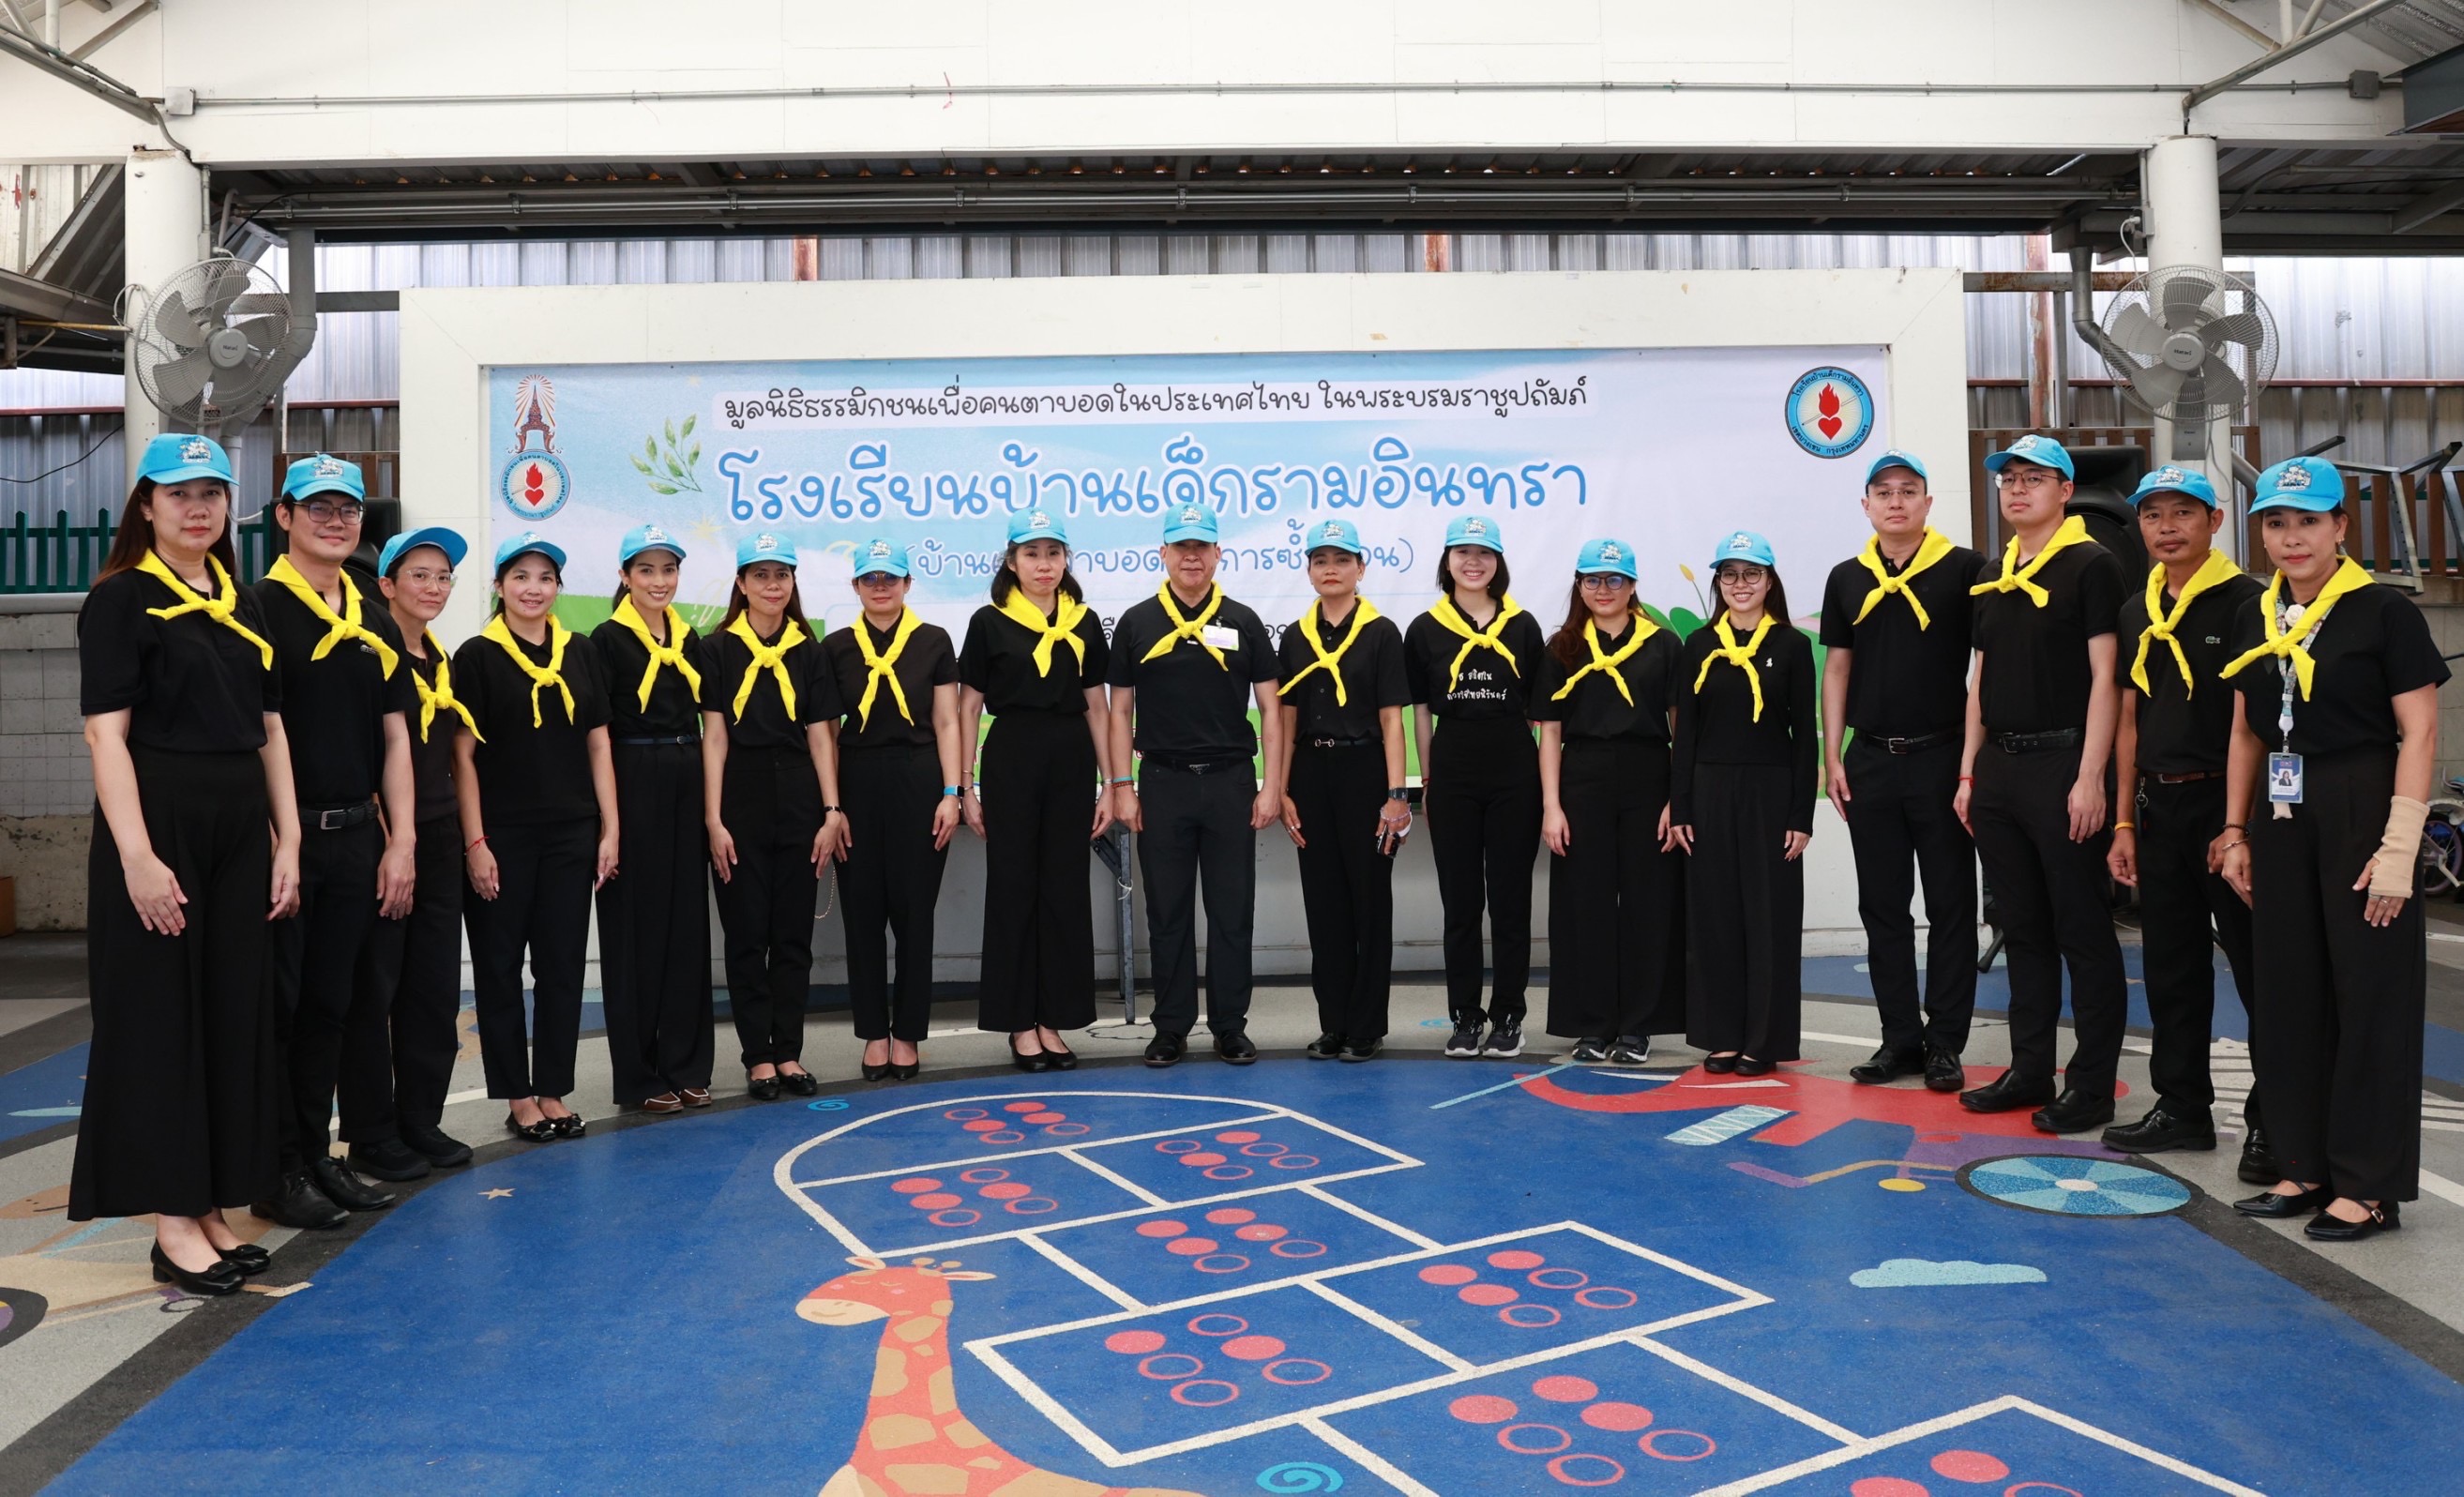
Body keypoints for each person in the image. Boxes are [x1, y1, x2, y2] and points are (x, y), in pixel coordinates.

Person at [71, 432, 298, 1294]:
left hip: (239, 826)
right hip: (159, 819)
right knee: (161, 1019)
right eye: (178, 493)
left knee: (229, 1014)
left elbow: (270, 728)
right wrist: (136, 856)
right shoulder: (120, 599)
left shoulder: (242, 601)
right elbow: (106, 736)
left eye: (210, 493)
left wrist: (288, 838)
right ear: (146, 505)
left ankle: (208, 1204)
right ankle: (171, 1221)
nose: (196, 508)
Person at [2222, 455, 2447, 1242]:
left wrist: (2399, 845)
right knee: (2289, 993)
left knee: (2369, 996)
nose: (2291, 538)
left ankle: (2368, 1185)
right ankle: (2304, 1165)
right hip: (2282, 810)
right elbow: (2245, 730)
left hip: (2362, 801)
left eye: (2308, 522)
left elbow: (2420, 731)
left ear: (2340, 528)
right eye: (2276, 523)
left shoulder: (2381, 611)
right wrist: (2234, 830)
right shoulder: (2258, 614)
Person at [250, 454, 420, 1224]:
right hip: (288, 845)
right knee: (282, 1011)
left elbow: (397, 736)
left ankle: (317, 1157)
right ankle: (277, 1168)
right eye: (317, 507)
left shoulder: (372, 616)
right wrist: (281, 841)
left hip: (356, 837)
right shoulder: (257, 608)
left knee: (334, 1006)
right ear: (285, 516)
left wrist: (401, 840)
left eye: (347, 509)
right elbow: (261, 733)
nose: (334, 521)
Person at [1954, 433, 2130, 1134]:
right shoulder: (1993, 572)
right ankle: (2030, 1069)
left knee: (2081, 929)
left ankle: (2090, 1086)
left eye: (2034, 478)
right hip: (1999, 768)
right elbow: (1979, 680)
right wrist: (1969, 771)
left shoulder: (2092, 564)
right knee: (2021, 927)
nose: (2018, 489)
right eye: (2009, 479)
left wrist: (2091, 777)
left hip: (2063, 764)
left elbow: (2106, 679)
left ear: (2065, 491)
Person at [2102, 467, 2264, 1160]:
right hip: (2157, 804)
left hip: (2226, 809)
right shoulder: (2136, 608)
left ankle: (2272, 1121)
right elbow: (2128, 720)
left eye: (2182, 513)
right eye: (2152, 515)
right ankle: (2181, 1108)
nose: (2166, 528)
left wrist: (2237, 826)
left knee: (2258, 968)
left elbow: (2253, 724)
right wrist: (2123, 822)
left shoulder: (2248, 602)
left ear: (2214, 521)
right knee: (2170, 967)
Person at [1818, 450, 1984, 1093]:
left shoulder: (1964, 569)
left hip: (1942, 757)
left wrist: (1969, 767)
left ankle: (1944, 1043)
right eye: (1883, 492)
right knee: (1882, 907)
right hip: (1871, 760)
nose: (1895, 501)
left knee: (1950, 906)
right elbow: (1837, 668)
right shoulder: (1846, 577)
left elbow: (1982, 670)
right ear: (1866, 505)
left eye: (1908, 490)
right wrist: (1833, 755)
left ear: (1927, 503)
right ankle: (1898, 1040)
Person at [452, 533, 617, 1142]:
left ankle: (552, 1090)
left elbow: (598, 743)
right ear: (499, 586)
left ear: (557, 588)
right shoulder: (476, 656)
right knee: (499, 968)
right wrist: (475, 843)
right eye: (520, 576)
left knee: (562, 966)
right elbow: (462, 757)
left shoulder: (580, 652)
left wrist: (610, 827)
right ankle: (517, 1097)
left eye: (545, 578)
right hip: (502, 838)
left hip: (571, 834)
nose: (533, 588)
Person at [1108, 502, 1282, 1068]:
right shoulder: (1137, 622)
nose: (1191, 557)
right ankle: (1171, 1027)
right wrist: (1122, 785)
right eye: (1181, 547)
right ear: (1163, 554)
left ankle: (1230, 1026)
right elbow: (1119, 711)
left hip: (1232, 784)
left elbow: (1272, 711)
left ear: (1217, 554)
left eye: (1201, 547)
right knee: (1168, 912)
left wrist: (1272, 785)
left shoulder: (1243, 621)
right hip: (1163, 783)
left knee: (1232, 912)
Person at [960, 509, 1113, 1073]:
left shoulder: (1085, 621)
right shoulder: (989, 621)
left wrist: (1112, 783)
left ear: (1066, 560)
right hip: (1012, 756)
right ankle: (1019, 1023)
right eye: (1031, 553)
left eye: (1053, 553)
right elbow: (969, 708)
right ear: (1011, 561)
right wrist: (965, 786)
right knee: (1013, 886)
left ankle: (1053, 1018)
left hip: (1071, 758)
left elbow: (1097, 706)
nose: (1043, 565)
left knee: (1064, 889)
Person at [703, 534, 846, 1097]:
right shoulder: (717, 649)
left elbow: (820, 736)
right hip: (739, 797)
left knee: (792, 937)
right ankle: (757, 1057)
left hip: (799, 798)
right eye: (759, 575)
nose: (771, 585)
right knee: (745, 936)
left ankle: (788, 1052)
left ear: (792, 583)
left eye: (781, 575)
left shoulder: (809, 651)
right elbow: (714, 737)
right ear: (741, 583)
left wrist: (831, 810)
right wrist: (713, 819)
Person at [1534, 537, 1686, 1066]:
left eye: (1615, 579)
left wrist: (1677, 798)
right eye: (1593, 579)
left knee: (1649, 904)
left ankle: (1640, 1025)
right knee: (1585, 906)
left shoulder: (1662, 644)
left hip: (1649, 779)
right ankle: (1592, 1024)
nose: (1604, 589)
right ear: (1579, 586)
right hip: (1582, 781)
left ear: (1632, 585)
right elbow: (1549, 732)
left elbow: (1680, 727)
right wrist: (1551, 806)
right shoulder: (1562, 647)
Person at [1672, 530, 1817, 1074]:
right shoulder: (1698, 645)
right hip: (1709, 791)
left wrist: (1801, 815)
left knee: (1769, 917)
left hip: (1770, 794)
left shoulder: (1792, 646)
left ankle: (1764, 1040)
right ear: (1718, 583)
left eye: (1752, 573)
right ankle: (1723, 1035)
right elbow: (1685, 734)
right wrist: (1681, 806)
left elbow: (1804, 738)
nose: (1740, 584)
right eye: (1729, 575)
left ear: (1770, 581)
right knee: (1715, 916)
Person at [1406, 515, 1547, 1060]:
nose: (1473, 561)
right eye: (1462, 552)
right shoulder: (1425, 628)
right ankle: (1465, 1015)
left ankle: (1509, 1015)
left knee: (1511, 901)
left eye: (1484, 552)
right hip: (1453, 770)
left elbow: (1537, 711)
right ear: (1447, 561)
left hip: (1514, 770)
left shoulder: (1523, 625)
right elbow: (1421, 711)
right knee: (1461, 904)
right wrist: (1429, 776)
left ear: (1498, 563)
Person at [1272, 520, 1412, 1062]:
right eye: (1321, 560)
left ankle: (1366, 1026)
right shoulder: (1295, 636)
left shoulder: (1381, 633)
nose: (1331, 569)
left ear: (1360, 568)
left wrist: (1396, 794)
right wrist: (1283, 788)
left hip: (1365, 772)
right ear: (1309, 570)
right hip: (1312, 772)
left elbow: (1393, 720)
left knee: (1370, 901)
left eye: (1342, 560)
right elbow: (1286, 719)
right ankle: (1333, 1023)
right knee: (1324, 902)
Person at [824, 539, 962, 1080]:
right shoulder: (836, 646)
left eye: (890, 578)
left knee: (914, 915)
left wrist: (951, 792)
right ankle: (873, 1034)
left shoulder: (933, 640)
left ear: (908, 584)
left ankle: (906, 1033)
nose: (880, 587)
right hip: (856, 782)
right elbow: (826, 732)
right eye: (870, 578)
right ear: (856, 586)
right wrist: (832, 805)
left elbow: (947, 721)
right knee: (862, 917)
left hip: (919, 780)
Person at [364, 524, 478, 1170]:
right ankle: (374, 1134)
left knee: (433, 989)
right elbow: (367, 754)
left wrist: (468, 840)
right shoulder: (370, 654)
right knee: (378, 989)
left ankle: (421, 1121)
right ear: (387, 584)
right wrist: (391, 841)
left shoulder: (441, 659)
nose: (434, 587)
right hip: (388, 839)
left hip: (438, 835)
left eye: (443, 577)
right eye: (419, 575)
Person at [591, 524, 714, 1115]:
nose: (659, 581)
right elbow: (598, 736)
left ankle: (686, 1065)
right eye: (646, 570)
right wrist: (610, 823)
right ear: (624, 576)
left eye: (668, 570)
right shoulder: (605, 640)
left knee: (687, 926)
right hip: (633, 776)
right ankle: (638, 1075)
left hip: (686, 775)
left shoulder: (691, 639)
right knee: (634, 932)